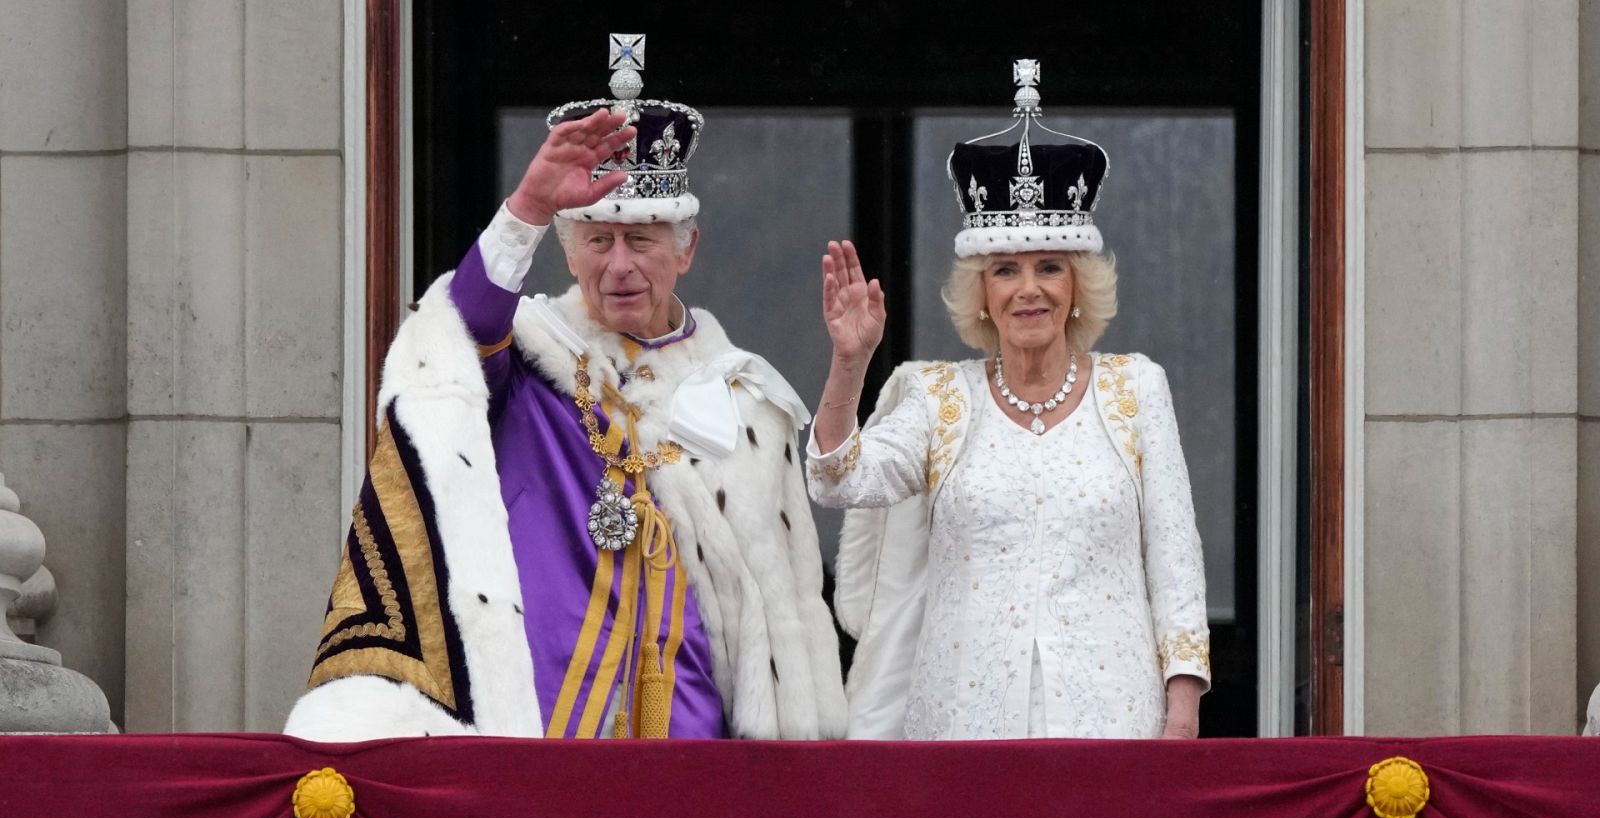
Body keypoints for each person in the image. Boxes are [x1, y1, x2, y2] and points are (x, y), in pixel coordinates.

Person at [285, 34, 845, 741]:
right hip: (540, 722)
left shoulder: (745, 400)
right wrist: (527, 206)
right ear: (567, 249)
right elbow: (460, 329)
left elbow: (776, 621)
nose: (618, 265)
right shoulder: (527, 356)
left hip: (691, 732)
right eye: (596, 241)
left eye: (641, 239)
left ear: (686, 250)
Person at [805, 60, 1209, 740]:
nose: (1030, 289)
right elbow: (838, 479)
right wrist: (850, 364)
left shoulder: (1135, 389)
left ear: (1078, 284)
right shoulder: (940, 399)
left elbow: (1175, 558)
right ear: (983, 292)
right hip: (965, 723)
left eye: (1050, 266)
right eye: (1007, 270)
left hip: (1110, 719)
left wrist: (1182, 709)